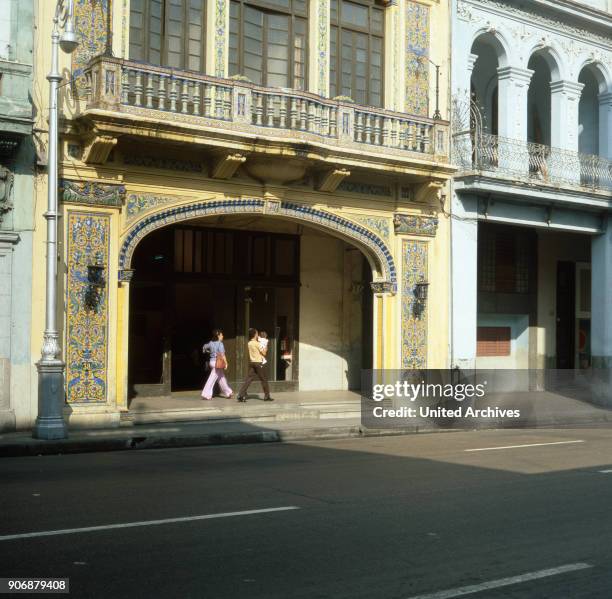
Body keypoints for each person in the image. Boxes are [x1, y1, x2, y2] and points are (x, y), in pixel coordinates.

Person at [237, 328, 273, 402]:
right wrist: (266, 346)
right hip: (258, 363)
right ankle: (267, 396)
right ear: (254, 334)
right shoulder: (257, 344)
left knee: (249, 379)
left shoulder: (249, 343)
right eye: (256, 333)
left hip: (252, 363)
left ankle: (240, 395)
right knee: (264, 379)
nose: (257, 334)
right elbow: (264, 353)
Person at [201, 329, 233, 400]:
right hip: (217, 363)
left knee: (221, 378)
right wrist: (226, 363)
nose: (222, 336)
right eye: (221, 335)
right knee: (212, 379)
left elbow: (204, 347)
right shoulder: (220, 344)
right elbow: (222, 355)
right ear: (218, 336)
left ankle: (228, 392)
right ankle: (206, 394)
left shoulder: (211, 343)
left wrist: (208, 351)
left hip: (212, 362)